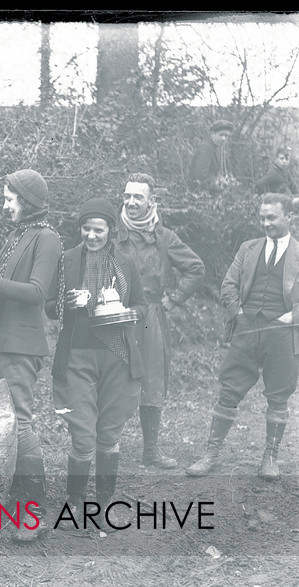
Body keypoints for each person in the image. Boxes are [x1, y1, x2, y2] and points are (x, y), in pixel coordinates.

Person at [186, 193, 299, 480]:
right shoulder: (248, 249)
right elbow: (228, 285)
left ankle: (270, 457)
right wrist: (239, 314)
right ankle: (211, 453)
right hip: (246, 332)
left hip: (283, 337)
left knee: (278, 396)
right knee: (228, 391)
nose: (266, 223)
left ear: (289, 216)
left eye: (272, 217)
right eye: (262, 218)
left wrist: (287, 319)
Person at [0, 169, 63, 542]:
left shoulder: (47, 239)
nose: (5, 206)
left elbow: (36, 293)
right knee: (3, 424)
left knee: (21, 422)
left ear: (27, 201)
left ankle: (35, 511)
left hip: (19, 346)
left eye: (9, 199)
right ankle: (10, 501)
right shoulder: (17, 234)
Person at [49, 198, 147, 533]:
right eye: (86, 229)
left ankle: (106, 501)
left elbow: (142, 307)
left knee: (108, 433)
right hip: (77, 354)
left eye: (98, 230)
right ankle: (75, 500)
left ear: (111, 231)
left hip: (118, 355)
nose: (91, 235)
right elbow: (50, 306)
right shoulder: (68, 259)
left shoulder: (126, 262)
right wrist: (67, 302)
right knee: (82, 432)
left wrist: (125, 311)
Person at [114, 173, 205, 468]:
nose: (130, 202)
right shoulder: (113, 233)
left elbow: (196, 268)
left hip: (151, 319)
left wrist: (174, 298)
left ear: (152, 201)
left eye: (138, 197)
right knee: (110, 377)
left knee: (152, 381)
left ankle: (150, 450)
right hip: (115, 315)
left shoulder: (165, 238)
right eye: (127, 196)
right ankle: (107, 447)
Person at [189, 119, 235, 189]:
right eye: (221, 135)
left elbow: (227, 172)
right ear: (213, 134)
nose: (223, 138)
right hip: (201, 192)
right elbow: (200, 176)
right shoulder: (206, 148)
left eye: (226, 136)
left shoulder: (220, 149)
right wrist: (217, 186)